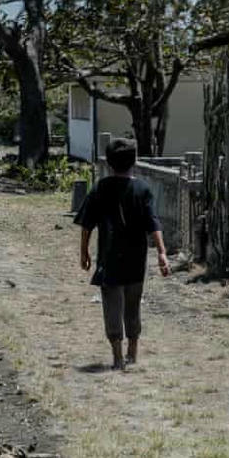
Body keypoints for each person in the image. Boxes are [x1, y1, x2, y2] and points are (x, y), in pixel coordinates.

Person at [74, 138, 170, 370]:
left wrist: (84, 251)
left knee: (112, 306)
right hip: (136, 259)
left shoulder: (101, 188)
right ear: (134, 161)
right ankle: (132, 352)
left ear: (108, 162)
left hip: (109, 259)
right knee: (132, 305)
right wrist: (162, 253)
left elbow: (87, 224)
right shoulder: (142, 189)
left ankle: (117, 356)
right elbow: (153, 223)